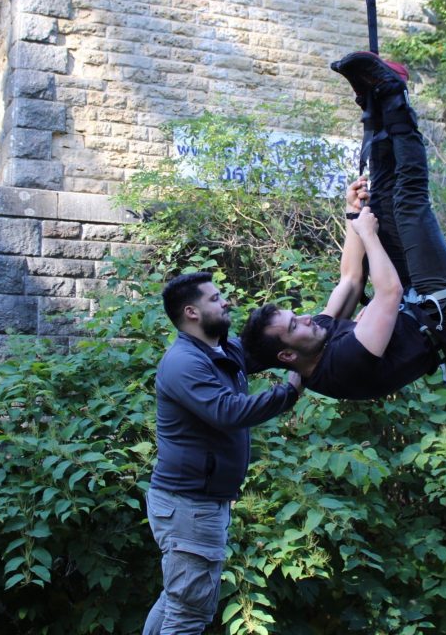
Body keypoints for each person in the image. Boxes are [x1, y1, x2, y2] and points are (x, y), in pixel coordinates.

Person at [240, 51, 446, 400]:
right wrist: (367, 233)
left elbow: (350, 280)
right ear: (288, 355)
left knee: (376, 202)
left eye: (297, 315)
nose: (306, 319)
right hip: (440, 308)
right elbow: (388, 293)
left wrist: (353, 215)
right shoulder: (342, 366)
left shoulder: (311, 337)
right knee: (409, 204)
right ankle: (393, 95)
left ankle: (373, 104)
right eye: (294, 325)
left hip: (406, 297)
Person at [144, 271, 302, 635]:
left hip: (197, 503)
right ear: (191, 312)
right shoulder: (184, 362)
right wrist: (289, 392)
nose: (226, 300)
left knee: (179, 599)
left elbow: (260, 352)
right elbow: (228, 412)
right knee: (189, 613)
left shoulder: (221, 351)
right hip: (189, 506)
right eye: (215, 298)